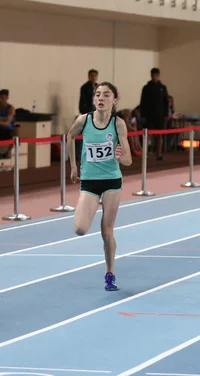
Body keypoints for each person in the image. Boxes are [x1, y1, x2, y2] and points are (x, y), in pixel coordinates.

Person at [66, 82, 132, 291]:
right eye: (97, 95)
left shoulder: (118, 124)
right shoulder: (83, 120)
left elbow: (129, 160)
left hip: (112, 181)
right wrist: (74, 165)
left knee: (106, 231)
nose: (101, 98)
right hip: (90, 180)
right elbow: (69, 136)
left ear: (114, 100)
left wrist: (121, 157)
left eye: (106, 95)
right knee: (80, 229)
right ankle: (90, 206)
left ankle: (110, 273)